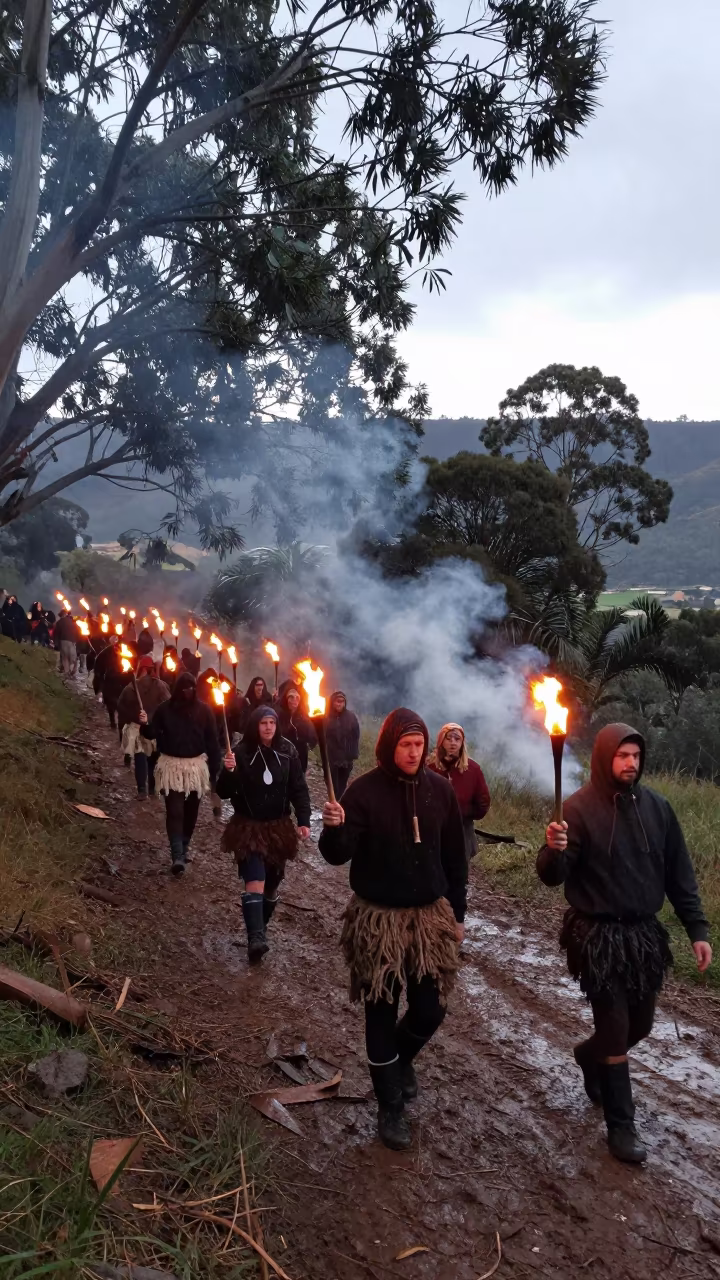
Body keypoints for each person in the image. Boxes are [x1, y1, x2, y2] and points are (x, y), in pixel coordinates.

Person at [537, 723, 713, 1165]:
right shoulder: (576, 809)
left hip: (643, 936)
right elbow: (552, 876)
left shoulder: (658, 808)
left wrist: (698, 930)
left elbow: (680, 875)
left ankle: (587, 1052)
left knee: (641, 1026)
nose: (631, 763)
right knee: (615, 1029)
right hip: (597, 936)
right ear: (604, 758)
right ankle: (621, 1126)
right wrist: (553, 851)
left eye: (636, 756)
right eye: (622, 756)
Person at [319, 709, 467, 1151]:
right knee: (381, 1008)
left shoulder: (440, 791)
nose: (414, 752)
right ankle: (390, 1106)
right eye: (406, 744)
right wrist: (333, 829)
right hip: (378, 918)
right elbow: (336, 855)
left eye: (419, 744)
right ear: (389, 744)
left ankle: (399, 1060)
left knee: (430, 1008)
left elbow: (457, 860)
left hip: (429, 918)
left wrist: (458, 914)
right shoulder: (362, 792)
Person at [216, 705, 311, 962]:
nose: (268, 727)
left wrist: (303, 819)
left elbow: (298, 788)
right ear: (254, 726)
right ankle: (255, 938)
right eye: (263, 723)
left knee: (270, 886)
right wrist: (229, 771)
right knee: (254, 880)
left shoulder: (288, 750)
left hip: (278, 828)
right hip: (249, 826)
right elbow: (224, 791)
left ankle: (261, 927)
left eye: (272, 722)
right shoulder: (240, 752)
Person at [140, 671, 221, 875]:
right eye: (184, 689)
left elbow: (213, 742)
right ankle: (177, 855)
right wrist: (143, 724)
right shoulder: (165, 710)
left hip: (195, 767)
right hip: (171, 766)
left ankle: (184, 847)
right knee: (175, 810)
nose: (188, 692)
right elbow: (152, 733)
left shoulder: (204, 711)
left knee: (191, 811)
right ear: (177, 689)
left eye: (192, 689)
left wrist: (214, 772)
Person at [427, 723, 490, 862]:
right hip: (433, 829)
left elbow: (483, 803)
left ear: (462, 743)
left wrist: (463, 813)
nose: (453, 743)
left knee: (458, 874)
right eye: (448, 738)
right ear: (441, 741)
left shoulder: (473, 769)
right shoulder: (430, 767)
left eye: (457, 739)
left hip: (462, 830)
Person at [117, 658, 170, 799]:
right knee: (153, 759)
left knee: (141, 757)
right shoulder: (161, 686)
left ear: (142, 669)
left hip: (139, 727)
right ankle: (152, 789)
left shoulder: (130, 687)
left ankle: (142, 789)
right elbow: (168, 707)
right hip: (154, 728)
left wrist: (133, 718)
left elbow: (121, 707)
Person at [324, 690, 361, 799]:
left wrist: (353, 754)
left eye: (342, 701)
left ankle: (339, 804)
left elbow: (356, 735)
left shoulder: (351, 717)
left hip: (346, 757)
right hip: (332, 757)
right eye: (337, 701)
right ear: (332, 702)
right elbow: (322, 735)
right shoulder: (326, 717)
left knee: (342, 784)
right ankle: (333, 803)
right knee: (332, 784)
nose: (339, 704)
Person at [276, 684, 317, 773]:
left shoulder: (304, 717)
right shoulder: (280, 715)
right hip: (283, 753)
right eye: (291, 697)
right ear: (286, 700)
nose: (294, 700)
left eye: (297, 698)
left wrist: (308, 745)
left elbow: (312, 735)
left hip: (300, 754)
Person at [53, 609, 80, 676]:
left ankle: (67, 672)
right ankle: (73, 670)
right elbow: (78, 632)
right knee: (73, 657)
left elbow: (56, 634)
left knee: (65, 657)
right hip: (72, 642)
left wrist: (56, 644)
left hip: (63, 641)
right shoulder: (72, 622)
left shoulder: (59, 623)